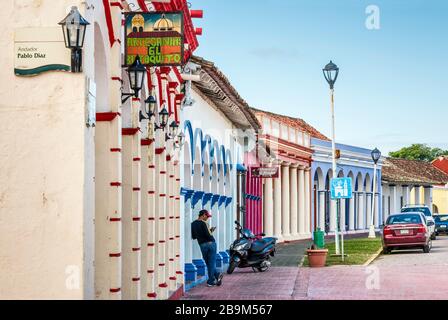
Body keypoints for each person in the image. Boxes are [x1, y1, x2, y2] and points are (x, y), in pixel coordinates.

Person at [191, 209, 223, 287]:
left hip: (202, 245)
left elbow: (194, 236)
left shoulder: (193, 224)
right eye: (207, 216)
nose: (207, 218)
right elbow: (208, 235)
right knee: (211, 262)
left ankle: (217, 274)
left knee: (208, 262)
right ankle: (211, 281)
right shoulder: (204, 223)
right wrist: (211, 230)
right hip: (210, 244)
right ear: (203, 215)